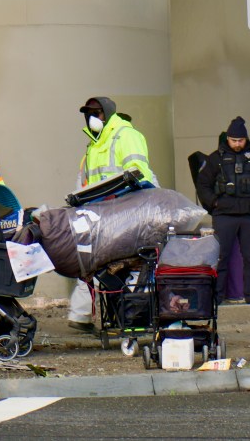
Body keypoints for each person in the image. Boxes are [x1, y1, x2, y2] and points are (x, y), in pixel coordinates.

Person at [69, 97, 157, 332]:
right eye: (88, 113)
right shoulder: (93, 146)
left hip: (124, 215)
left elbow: (141, 174)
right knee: (96, 265)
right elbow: (85, 183)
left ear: (107, 114)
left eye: (96, 113)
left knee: (124, 267)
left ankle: (131, 317)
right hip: (103, 216)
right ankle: (115, 316)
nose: (92, 118)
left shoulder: (125, 136)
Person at [196, 116, 250, 304]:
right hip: (225, 215)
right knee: (220, 258)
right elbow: (203, 185)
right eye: (234, 140)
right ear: (227, 139)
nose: (237, 144)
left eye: (240, 140)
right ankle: (217, 298)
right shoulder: (215, 159)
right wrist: (214, 204)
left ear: (246, 139)